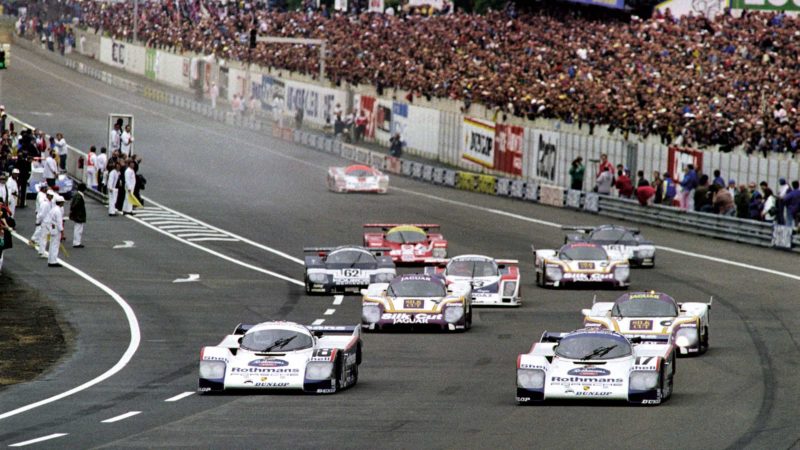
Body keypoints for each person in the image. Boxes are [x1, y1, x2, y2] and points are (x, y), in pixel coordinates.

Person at [46, 195, 65, 267]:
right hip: (56, 229)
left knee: (52, 244)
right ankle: (53, 261)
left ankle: (50, 260)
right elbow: (59, 222)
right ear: (61, 203)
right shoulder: (58, 211)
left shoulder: (53, 209)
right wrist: (62, 231)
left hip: (52, 227)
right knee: (55, 245)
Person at [69, 183, 87, 248]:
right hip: (79, 215)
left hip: (78, 215)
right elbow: (75, 205)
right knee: (78, 229)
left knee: (78, 228)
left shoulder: (77, 195)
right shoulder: (79, 196)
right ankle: (76, 242)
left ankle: (77, 242)